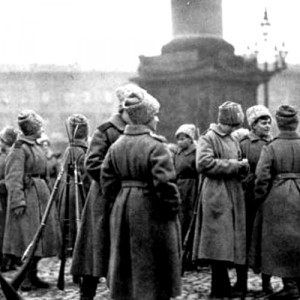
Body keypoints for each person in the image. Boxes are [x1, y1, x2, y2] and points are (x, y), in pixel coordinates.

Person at [101, 88, 182, 300]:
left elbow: (107, 181)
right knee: (154, 261)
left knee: (126, 259)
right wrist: (173, 208)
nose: (157, 119)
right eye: (154, 115)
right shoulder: (157, 146)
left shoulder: (116, 145)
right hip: (151, 208)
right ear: (146, 118)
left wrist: (120, 199)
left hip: (123, 206)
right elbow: (165, 184)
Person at [71, 83, 142, 300]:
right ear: (123, 109)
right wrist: (120, 178)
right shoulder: (105, 130)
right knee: (96, 252)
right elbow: (92, 164)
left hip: (125, 199)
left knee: (121, 253)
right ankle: (87, 294)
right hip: (104, 199)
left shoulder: (137, 130)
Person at [192, 101, 249, 298]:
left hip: (232, 192)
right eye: (235, 123)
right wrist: (234, 165)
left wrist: (243, 167)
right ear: (229, 120)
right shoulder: (208, 138)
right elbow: (203, 164)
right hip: (216, 194)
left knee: (227, 241)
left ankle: (223, 286)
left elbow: (236, 160)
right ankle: (219, 288)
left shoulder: (232, 139)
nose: (237, 127)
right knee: (217, 242)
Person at [3, 110, 60, 291]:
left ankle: (33, 274)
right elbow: (13, 177)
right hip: (28, 200)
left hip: (40, 196)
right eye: (39, 126)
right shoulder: (20, 148)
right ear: (31, 129)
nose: (41, 129)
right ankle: (26, 278)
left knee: (41, 239)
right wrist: (18, 201)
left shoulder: (34, 146)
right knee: (29, 240)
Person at [249, 104, 300, 299]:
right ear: (295, 123)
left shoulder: (271, 147)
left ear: (279, 123)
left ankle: (289, 285)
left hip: (277, 199)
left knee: (280, 242)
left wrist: (260, 198)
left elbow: (261, 176)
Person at [238, 105, 273, 295]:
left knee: (265, 240)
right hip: (247, 197)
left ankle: (266, 282)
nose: (267, 126)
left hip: (267, 198)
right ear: (253, 125)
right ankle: (241, 282)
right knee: (245, 238)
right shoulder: (243, 144)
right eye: (262, 122)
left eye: (268, 122)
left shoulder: (273, 143)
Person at [57, 114, 90, 257]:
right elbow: (87, 177)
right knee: (81, 231)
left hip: (67, 192)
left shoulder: (69, 149)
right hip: (80, 194)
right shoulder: (83, 151)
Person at [174, 123, 198, 242]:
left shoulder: (196, 152)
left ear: (190, 139)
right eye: (178, 139)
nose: (179, 142)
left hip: (191, 187)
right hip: (180, 185)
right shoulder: (177, 153)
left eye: (183, 139)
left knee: (189, 213)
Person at [0, 126, 18, 272]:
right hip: (2, 197)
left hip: (8, 196)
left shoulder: (10, 154)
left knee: (9, 230)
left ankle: (10, 260)